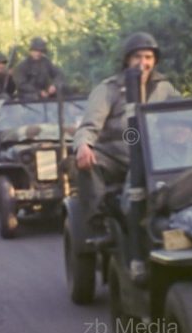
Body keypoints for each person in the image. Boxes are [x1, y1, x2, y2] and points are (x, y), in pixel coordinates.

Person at [74, 31, 179, 233]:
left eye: (148, 57)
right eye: (137, 57)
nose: (143, 63)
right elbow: (88, 126)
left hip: (155, 156)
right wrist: (83, 146)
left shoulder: (164, 87)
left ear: (155, 60)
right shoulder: (108, 89)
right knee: (88, 163)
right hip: (116, 156)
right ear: (127, 60)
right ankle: (99, 222)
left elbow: (184, 116)